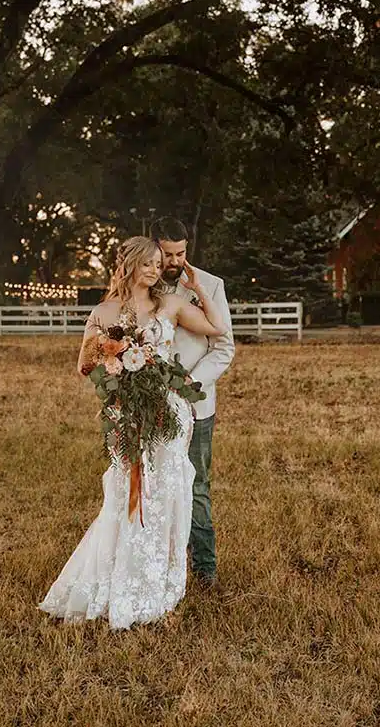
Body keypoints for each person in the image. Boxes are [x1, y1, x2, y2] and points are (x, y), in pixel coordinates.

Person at [38, 236, 225, 629]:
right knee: (128, 495)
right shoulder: (105, 311)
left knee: (169, 493)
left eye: (160, 263)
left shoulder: (171, 305)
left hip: (171, 413)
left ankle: (162, 586)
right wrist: (113, 356)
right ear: (131, 265)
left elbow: (216, 328)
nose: (157, 269)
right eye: (150, 263)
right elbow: (84, 366)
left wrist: (196, 291)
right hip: (127, 413)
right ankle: (123, 578)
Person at [150, 217, 235, 589]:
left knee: (196, 486)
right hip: (151, 406)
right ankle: (157, 565)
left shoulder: (210, 285)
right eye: (167, 254)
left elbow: (224, 346)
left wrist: (191, 383)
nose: (173, 262)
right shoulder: (143, 283)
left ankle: (205, 569)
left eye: (180, 253)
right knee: (153, 485)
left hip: (197, 408)